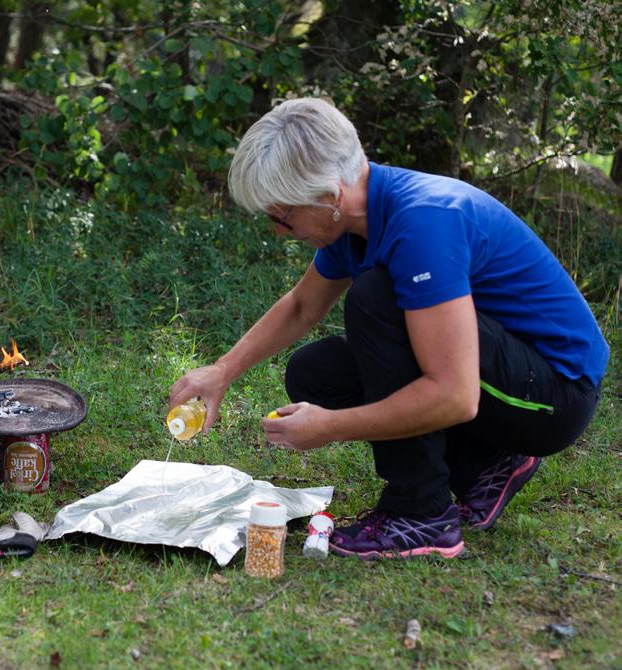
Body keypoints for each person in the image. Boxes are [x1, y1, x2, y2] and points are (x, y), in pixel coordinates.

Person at [168, 97, 608, 560]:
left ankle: (421, 515)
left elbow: (455, 395)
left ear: (328, 197)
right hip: (500, 375)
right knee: (316, 373)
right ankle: (486, 463)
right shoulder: (357, 219)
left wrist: (331, 427)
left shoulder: (423, 223)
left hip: (554, 394)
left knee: (377, 298)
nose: (278, 231)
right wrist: (221, 371)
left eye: (282, 216)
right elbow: (301, 307)